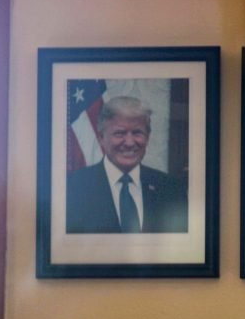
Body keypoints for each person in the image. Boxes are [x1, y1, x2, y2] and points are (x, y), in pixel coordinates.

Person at [66, 96, 188, 234]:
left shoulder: (172, 189)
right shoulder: (71, 188)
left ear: (147, 137)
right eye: (120, 133)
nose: (130, 143)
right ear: (101, 138)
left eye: (137, 133)